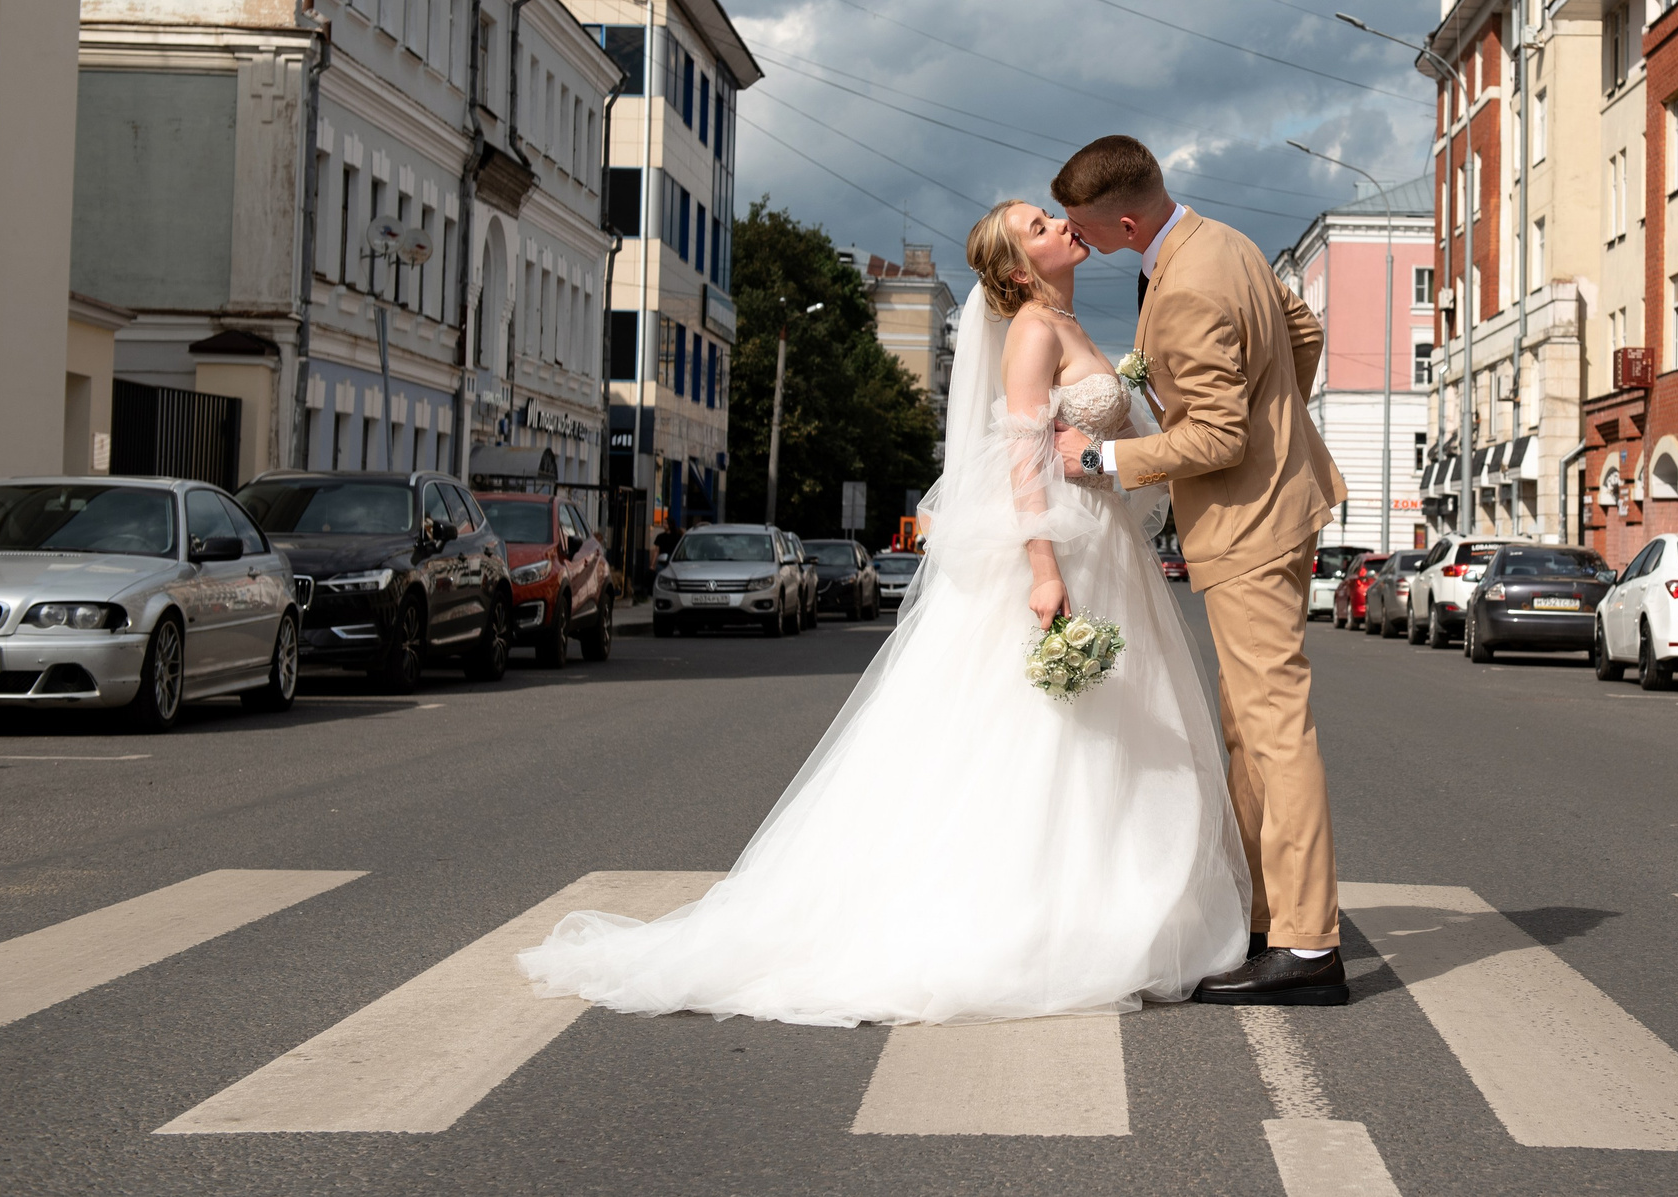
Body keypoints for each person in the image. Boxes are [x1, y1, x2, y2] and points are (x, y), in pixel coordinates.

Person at [516, 198, 1247, 1026]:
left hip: (1104, 546)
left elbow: (1087, 446)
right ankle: (1053, 911)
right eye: (1038, 227)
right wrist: (1043, 569)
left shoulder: (1065, 322)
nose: (1059, 224)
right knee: (1049, 730)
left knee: (1101, 728)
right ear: (1017, 271)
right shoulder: (1033, 332)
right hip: (1063, 548)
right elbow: (1022, 461)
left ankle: (1111, 897)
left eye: (1049, 216)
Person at [1054, 135, 1352, 1007]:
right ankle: (1264, 917)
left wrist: (1104, 460)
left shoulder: (1184, 284)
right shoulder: (1226, 241)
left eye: (1083, 226)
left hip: (1248, 523)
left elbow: (1218, 435)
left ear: (1125, 222)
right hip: (1281, 502)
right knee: (1248, 727)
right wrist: (1280, 423)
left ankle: (1308, 945)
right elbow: (1303, 329)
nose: (1077, 238)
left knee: (1273, 728)